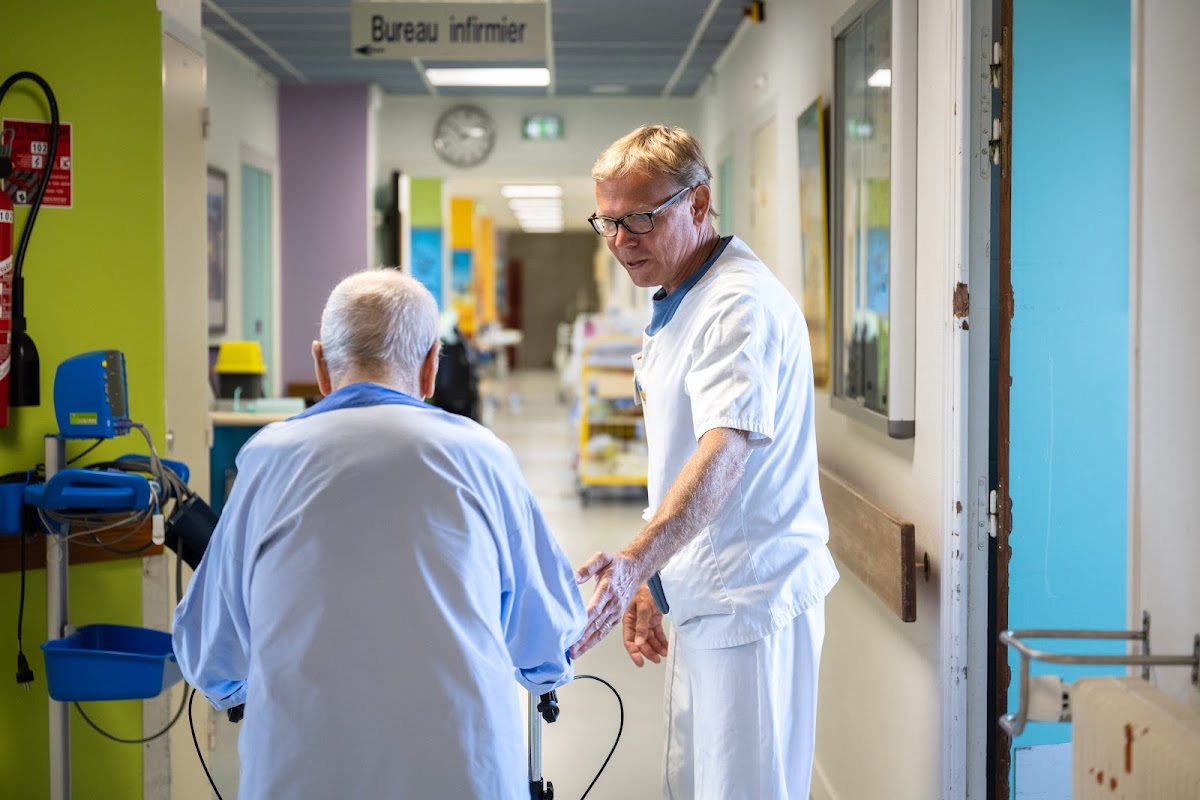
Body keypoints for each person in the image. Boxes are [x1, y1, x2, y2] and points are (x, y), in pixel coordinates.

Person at [173, 269, 585, 799]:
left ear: (320, 365)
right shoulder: (483, 458)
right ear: (432, 365)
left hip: (301, 779)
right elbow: (547, 641)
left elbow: (210, 653)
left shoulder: (268, 461)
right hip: (464, 777)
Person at [572, 125, 840, 799]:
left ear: (697, 202)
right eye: (607, 222)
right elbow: (679, 458)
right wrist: (652, 581)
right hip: (705, 596)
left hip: (749, 604)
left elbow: (723, 451)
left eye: (640, 218)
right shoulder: (682, 293)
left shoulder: (737, 305)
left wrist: (636, 560)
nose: (620, 241)